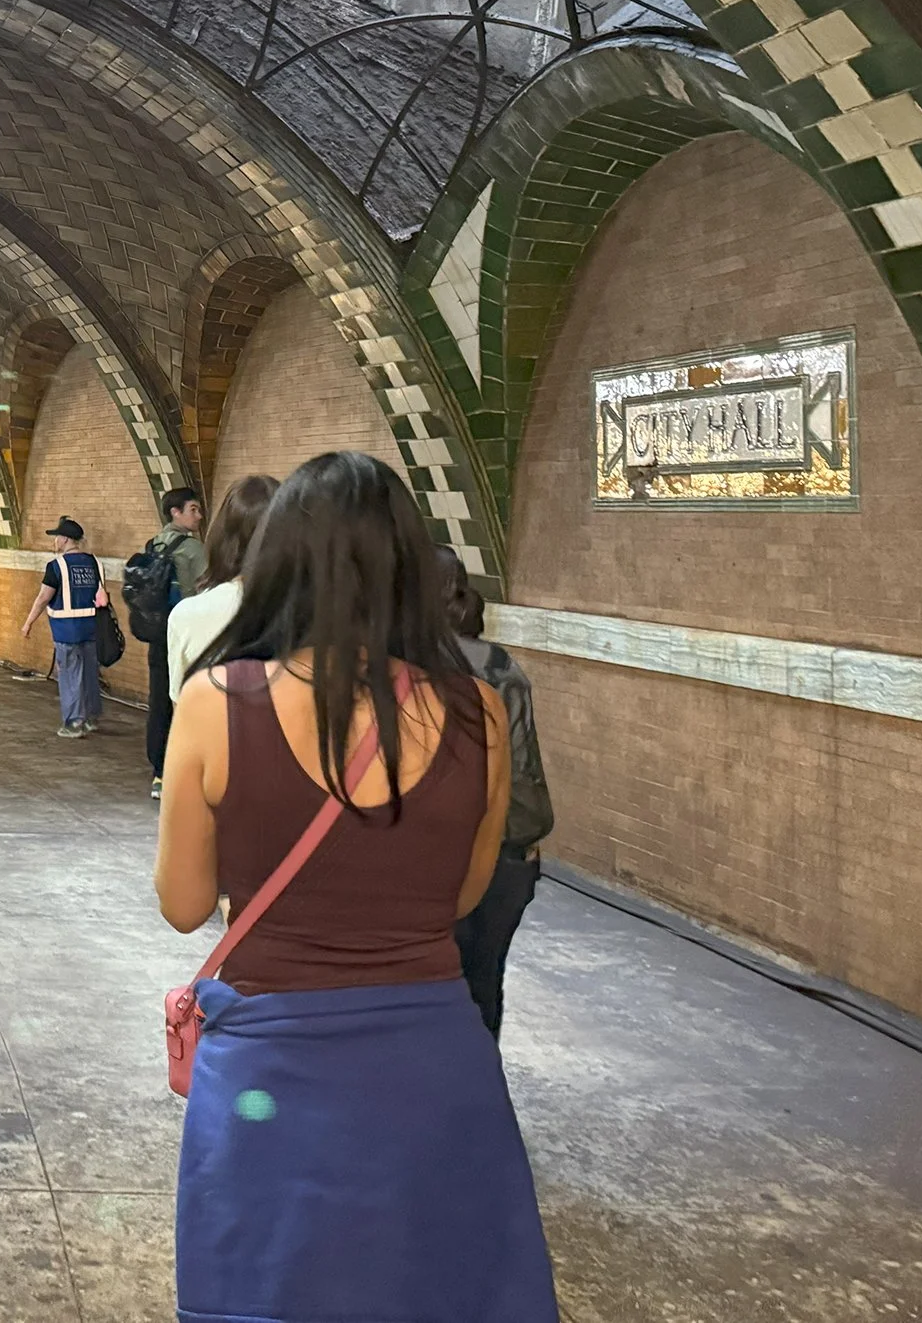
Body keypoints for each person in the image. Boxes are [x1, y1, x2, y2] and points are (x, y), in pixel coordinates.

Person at [153, 452, 555, 1322]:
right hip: (435, 1071)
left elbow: (185, 905)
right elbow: (460, 895)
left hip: (271, 1070)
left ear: (279, 561)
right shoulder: (477, 708)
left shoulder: (217, 699)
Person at [437, 547, 555, 1039]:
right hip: (505, 859)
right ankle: (477, 1098)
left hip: (429, 860)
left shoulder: (395, 666)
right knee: (484, 987)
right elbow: (523, 773)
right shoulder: (500, 667)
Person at [164, 474, 279, 704]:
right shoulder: (315, 609)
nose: (199, 516)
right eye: (193, 510)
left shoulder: (187, 614)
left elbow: (184, 709)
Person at [140, 487, 209, 794]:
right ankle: (188, 770)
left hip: (159, 634)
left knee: (159, 701)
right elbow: (208, 591)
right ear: (175, 512)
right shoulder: (194, 549)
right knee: (187, 701)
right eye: (193, 509)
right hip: (187, 637)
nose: (199, 516)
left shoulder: (152, 544)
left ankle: (159, 771)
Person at [22, 517, 108, 738]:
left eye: (57, 536)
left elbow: (43, 598)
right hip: (93, 628)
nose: (55, 540)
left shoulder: (56, 566)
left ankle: (73, 722)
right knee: (90, 673)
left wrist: (29, 622)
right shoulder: (95, 563)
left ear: (66, 539)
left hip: (66, 630)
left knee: (70, 675)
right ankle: (91, 718)